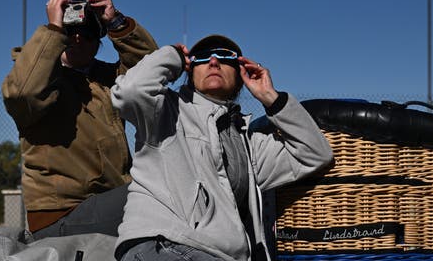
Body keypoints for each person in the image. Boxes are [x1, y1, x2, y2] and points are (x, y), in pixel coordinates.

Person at [110, 34, 334, 261]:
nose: (214, 61)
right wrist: (174, 56)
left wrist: (271, 98)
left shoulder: (248, 141)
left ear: (240, 74)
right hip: (161, 245)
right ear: (190, 71)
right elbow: (130, 90)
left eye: (225, 57)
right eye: (203, 57)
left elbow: (315, 154)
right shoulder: (164, 111)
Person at [1, 0, 158, 239]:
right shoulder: (40, 81)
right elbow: (22, 94)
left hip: (107, 203)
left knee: (168, 189)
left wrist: (116, 22)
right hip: (61, 213)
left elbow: (152, 72)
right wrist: (53, 29)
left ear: (98, 42)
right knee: (157, 194)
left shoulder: (108, 80)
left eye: (86, 34)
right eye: (69, 31)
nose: (77, 38)